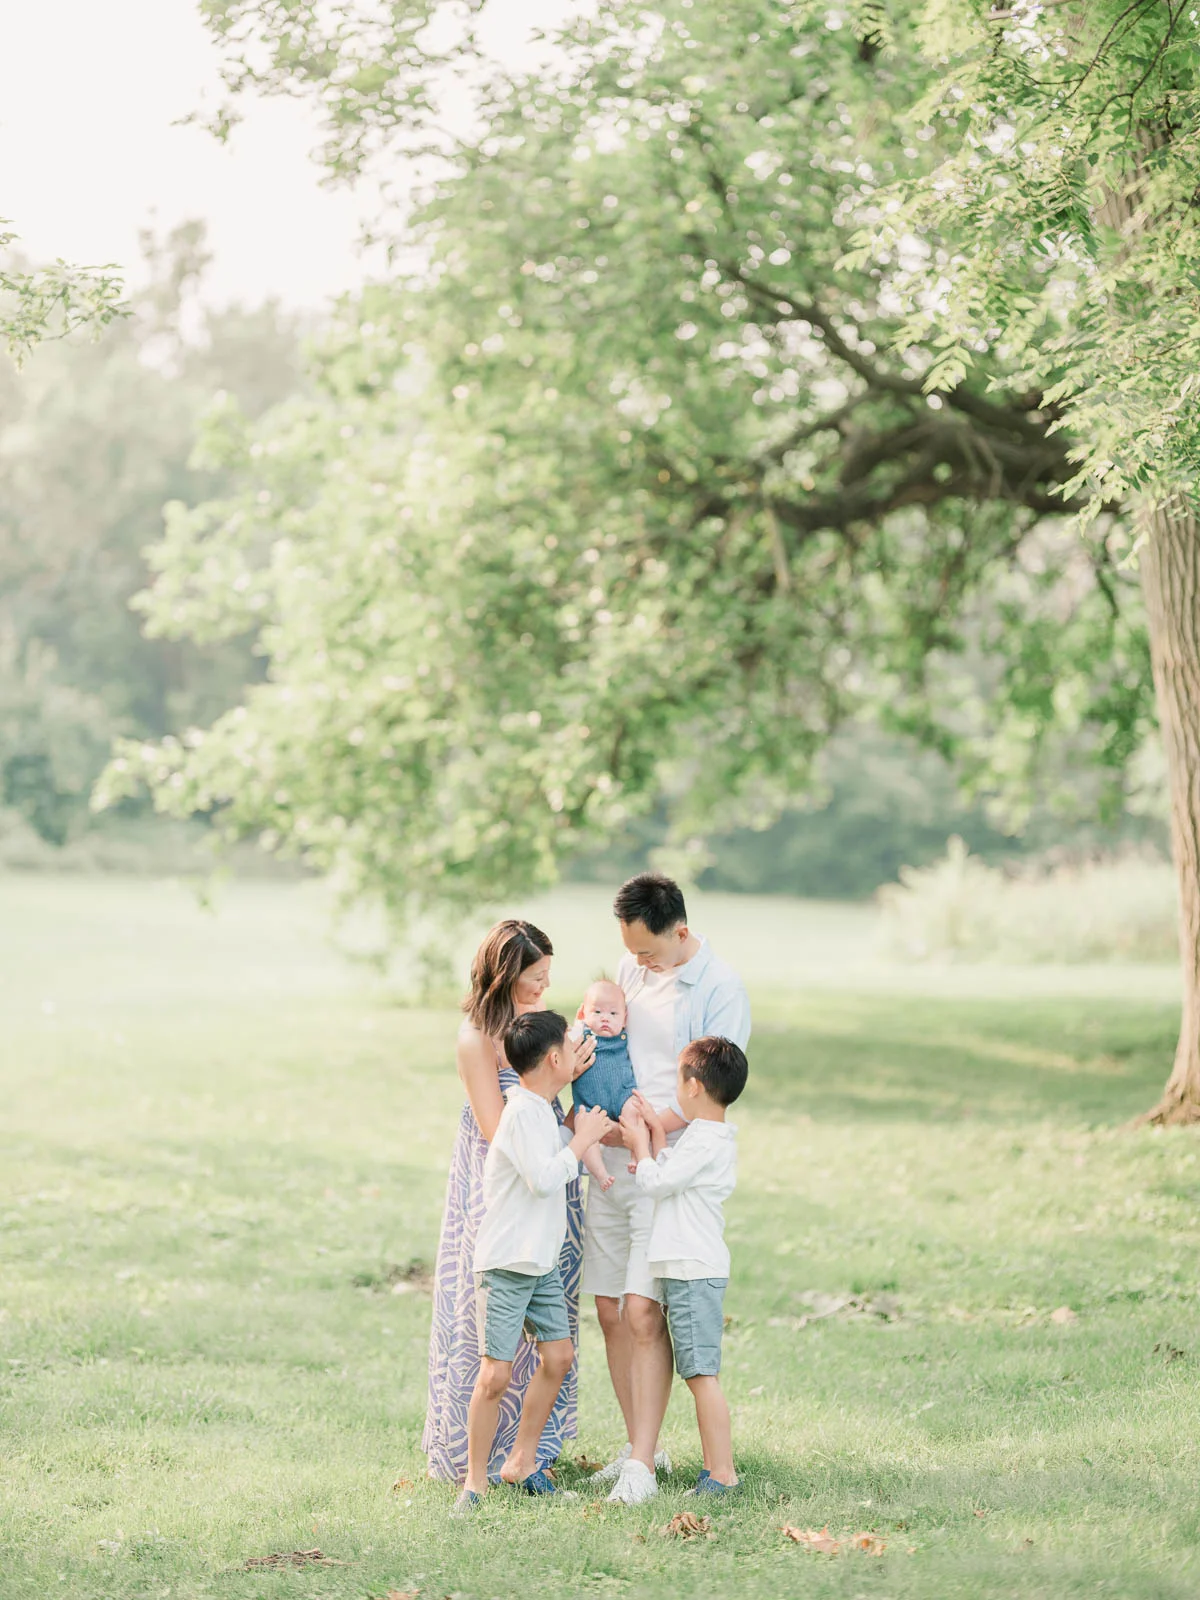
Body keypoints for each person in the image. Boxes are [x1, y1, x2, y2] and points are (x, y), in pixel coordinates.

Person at [584, 872, 751, 1506]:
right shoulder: (630, 972)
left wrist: (645, 1134)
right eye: (629, 950)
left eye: (648, 952)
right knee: (608, 1310)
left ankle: (644, 1466)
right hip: (615, 1155)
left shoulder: (718, 988)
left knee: (642, 1311)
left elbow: (711, 1092)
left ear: (680, 933)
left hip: (665, 1165)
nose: (637, 963)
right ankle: (636, 1450)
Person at [422, 920, 594, 1483]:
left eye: (548, 978)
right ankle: (472, 1462)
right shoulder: (475, 1036)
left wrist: (571, 1071)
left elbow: (548, 1094)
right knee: (491, 1328)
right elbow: (498, 1128)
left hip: (551, 1170)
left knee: (552, 1324)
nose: (544, 990)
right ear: (504, 976)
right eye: (534, 979)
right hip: (500, 1180)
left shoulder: (536, 1025)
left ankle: (530, 1454)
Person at [455, 1011, 612, 1513]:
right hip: (506, 1263)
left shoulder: (541, 1110)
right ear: (554, 1059)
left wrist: (587, 1135)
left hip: (539, 1262)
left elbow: (561, 1154)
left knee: (559, 1358)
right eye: (571, 1047)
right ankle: (474, 1484)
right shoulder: (521, 1112)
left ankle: (521, 1461)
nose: (576, 1053)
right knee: (495, 1375)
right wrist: (582, 1141)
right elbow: (544, 1178)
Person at [623, 1036, 748, 1496]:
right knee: (697, 1372)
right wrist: (654, 1137)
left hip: (694, 1269)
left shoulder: (706, 1142)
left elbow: (657, 1182)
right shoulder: (704, 1136)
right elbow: (667, 1168)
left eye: (677, 1081)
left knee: (700, 1375)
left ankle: (722, 1473)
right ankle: (716, 1468)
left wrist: (638, 1143)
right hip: (686, 1266)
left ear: (693, 1086)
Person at [571, 980, 637, 1194]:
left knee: (636, 1111)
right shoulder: (580, 1037)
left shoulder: (625, 1037)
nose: (605, 1018)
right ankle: (600, 1174)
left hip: (623, 1095)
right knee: (583, 1131)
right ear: (583, 1013)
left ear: (625, 1018)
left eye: (613, 1014)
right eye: (597, 1011)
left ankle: (638, 1155)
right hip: (589, 1105)